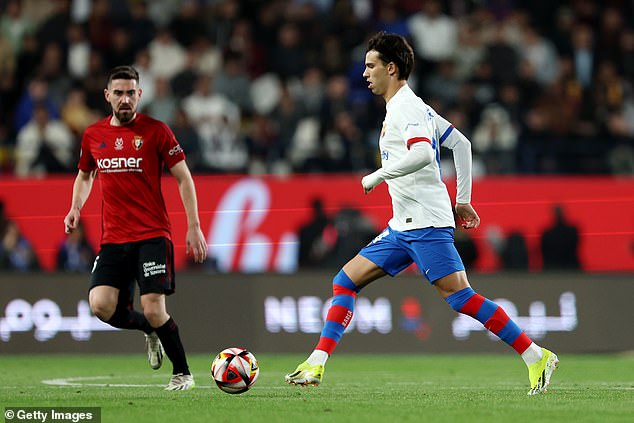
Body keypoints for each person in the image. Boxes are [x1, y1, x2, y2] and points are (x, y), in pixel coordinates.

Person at [285, 32, 559, 396]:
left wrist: (378, 175)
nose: (365, 74)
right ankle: (316, 363)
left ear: (392, 68)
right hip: (404, 226)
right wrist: (462, 199)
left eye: (371, 66)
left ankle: (536, 355)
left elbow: (423, 155)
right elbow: (461, 143)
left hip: (426, 224)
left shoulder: (407, 109)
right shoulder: (413, 107)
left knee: (461, 298)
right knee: (345, 281)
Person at [63, 66, 207, 391]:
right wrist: (75, 208)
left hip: (153, 235)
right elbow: (85, 175)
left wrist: (194, 225)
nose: (125, 99)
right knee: (100, 306)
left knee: (154, 307)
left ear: (139, 94)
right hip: (113, 239)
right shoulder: (93, 135)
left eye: (131, 93)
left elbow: (184, 177)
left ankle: (182, 372)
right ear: (107, 96)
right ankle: (149, 330)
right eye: (119, 93)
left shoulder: (157, 131)